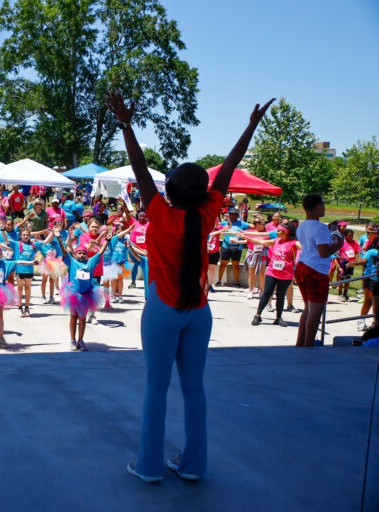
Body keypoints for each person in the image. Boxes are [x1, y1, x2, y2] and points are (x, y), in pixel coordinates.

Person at [107, 90, 274, 482]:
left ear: (170, 192)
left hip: (163, 310)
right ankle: (193, 465)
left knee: (156, 390)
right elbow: (229, 169)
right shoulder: (208, 214)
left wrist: (127, 124)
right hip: (199, 312)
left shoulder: (161, 215)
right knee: (195, 391)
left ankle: (148, 466)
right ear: (203, 194)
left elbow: (140, 168)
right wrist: (250, 128)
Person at [294, 194, 343, 347]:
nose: (324, 207)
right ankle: (308, 346)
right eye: (323, 204)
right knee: (316, 311)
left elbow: (312, 237)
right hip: (316, 270)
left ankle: (300, 344)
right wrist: (338, 245)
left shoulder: (302, 225)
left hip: (302, 266)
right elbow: (323, 252)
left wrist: (328, 229)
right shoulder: (321, 227)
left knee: (308, 309)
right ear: (317, 207)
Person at [241, 222, 300, 327]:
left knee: (280, 295)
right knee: (267, 293)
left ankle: (278, 318)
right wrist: (246, 237)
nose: (276, 232)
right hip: (272, 271)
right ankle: (257, 315)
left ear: (286, 232)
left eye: (279, 231)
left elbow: (305, 249)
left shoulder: (293, 243)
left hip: (286, 274)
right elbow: (260, 241)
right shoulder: (276, 241)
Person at [216, 207, 250, 287]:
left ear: (237, 215)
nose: (233, 216)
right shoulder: (225, 223)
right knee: (223, 264)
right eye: (232, 214)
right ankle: (219, 281)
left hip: (237, 247)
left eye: (235, 214)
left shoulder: (242, 223)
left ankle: (237, 282)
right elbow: (216, 224)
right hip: (226, 246)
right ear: (229, 215)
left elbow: (253, 226)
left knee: (236, 265)